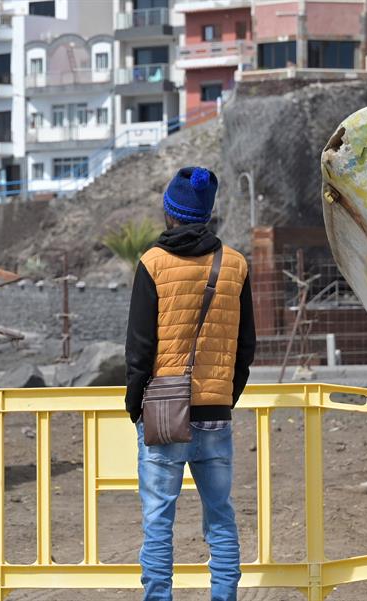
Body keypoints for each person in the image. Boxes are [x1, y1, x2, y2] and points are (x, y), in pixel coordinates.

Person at [124, 166, 256, 601]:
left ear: (169, 212)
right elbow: (246, 346)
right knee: (220, 516)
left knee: (159, 519)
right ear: (207, 214)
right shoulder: (235, 264)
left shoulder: (152, 263)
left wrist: (135, 406)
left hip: (163, 412)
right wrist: (225, 396)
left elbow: (140, 349)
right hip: (215, 411)